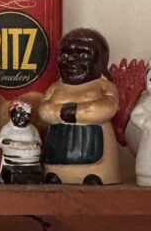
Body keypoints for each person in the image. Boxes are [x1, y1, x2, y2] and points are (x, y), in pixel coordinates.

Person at [38, 28, 124, 184]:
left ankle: (94, 175)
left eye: (83, 55)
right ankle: (56, 174)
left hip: (94, 140)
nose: (71, 60)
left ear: (100, 61)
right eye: (65, 55)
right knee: (55, 165)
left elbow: (108, 106)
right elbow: (44, 109)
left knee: (96, 168)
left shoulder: (103, 86)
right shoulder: (55, 88)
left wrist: (75, 112)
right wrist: (59, 112)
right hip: (59, 141)